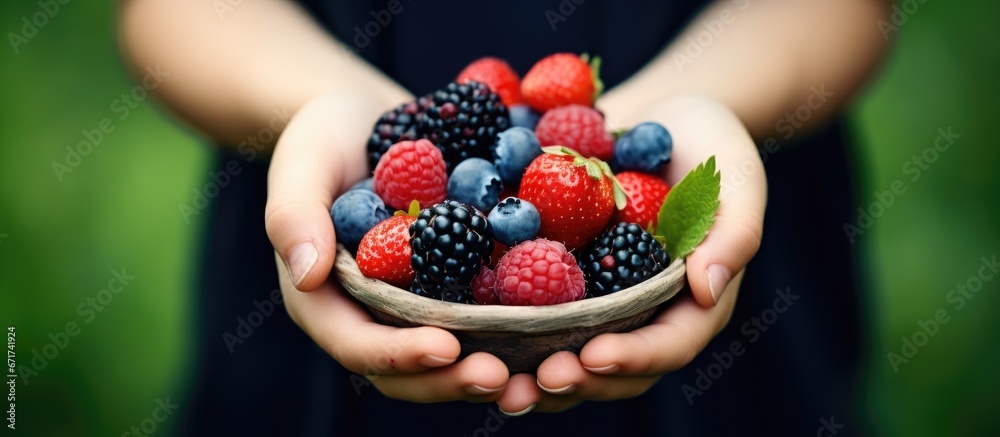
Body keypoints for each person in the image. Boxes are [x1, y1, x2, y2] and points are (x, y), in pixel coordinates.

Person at [119, 0, 891, 434]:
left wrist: (675, 112)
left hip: (742, 353)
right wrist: (324, 110)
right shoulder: (412, 193)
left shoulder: (593, 186)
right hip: (303, 366)